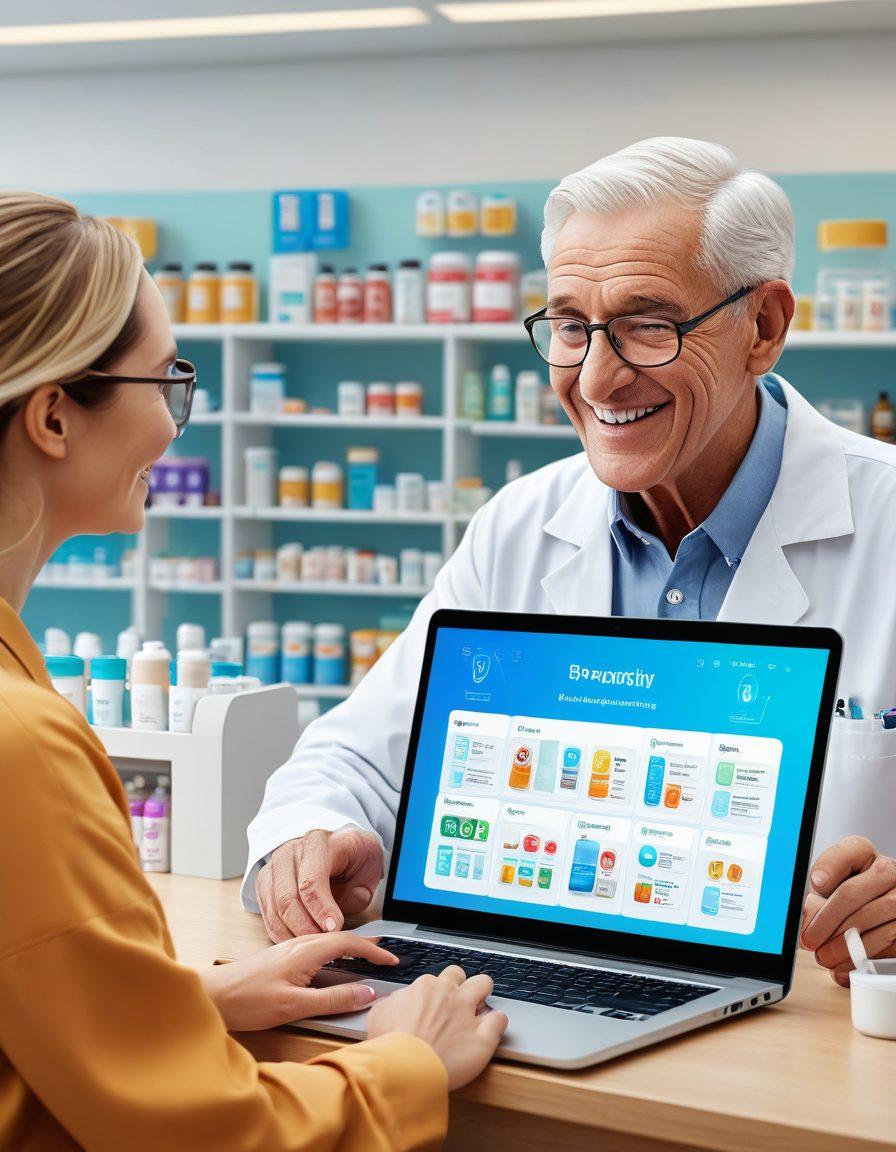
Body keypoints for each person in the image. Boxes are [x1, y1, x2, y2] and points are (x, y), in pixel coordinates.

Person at [245, 138, 896, 987]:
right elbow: (354, 757)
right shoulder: (520, 526)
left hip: (814, 1064)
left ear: (763, 327)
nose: (596, 379)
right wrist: (306, 839)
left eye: (648, 326)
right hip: (543, 1007)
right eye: (569, 327)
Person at [0, 190, 507, 1152]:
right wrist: (400, 1060)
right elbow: (206, 1137)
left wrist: (187, 999)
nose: (177, 424)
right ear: (56, 418)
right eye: (168, 382)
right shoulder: (20, 742)